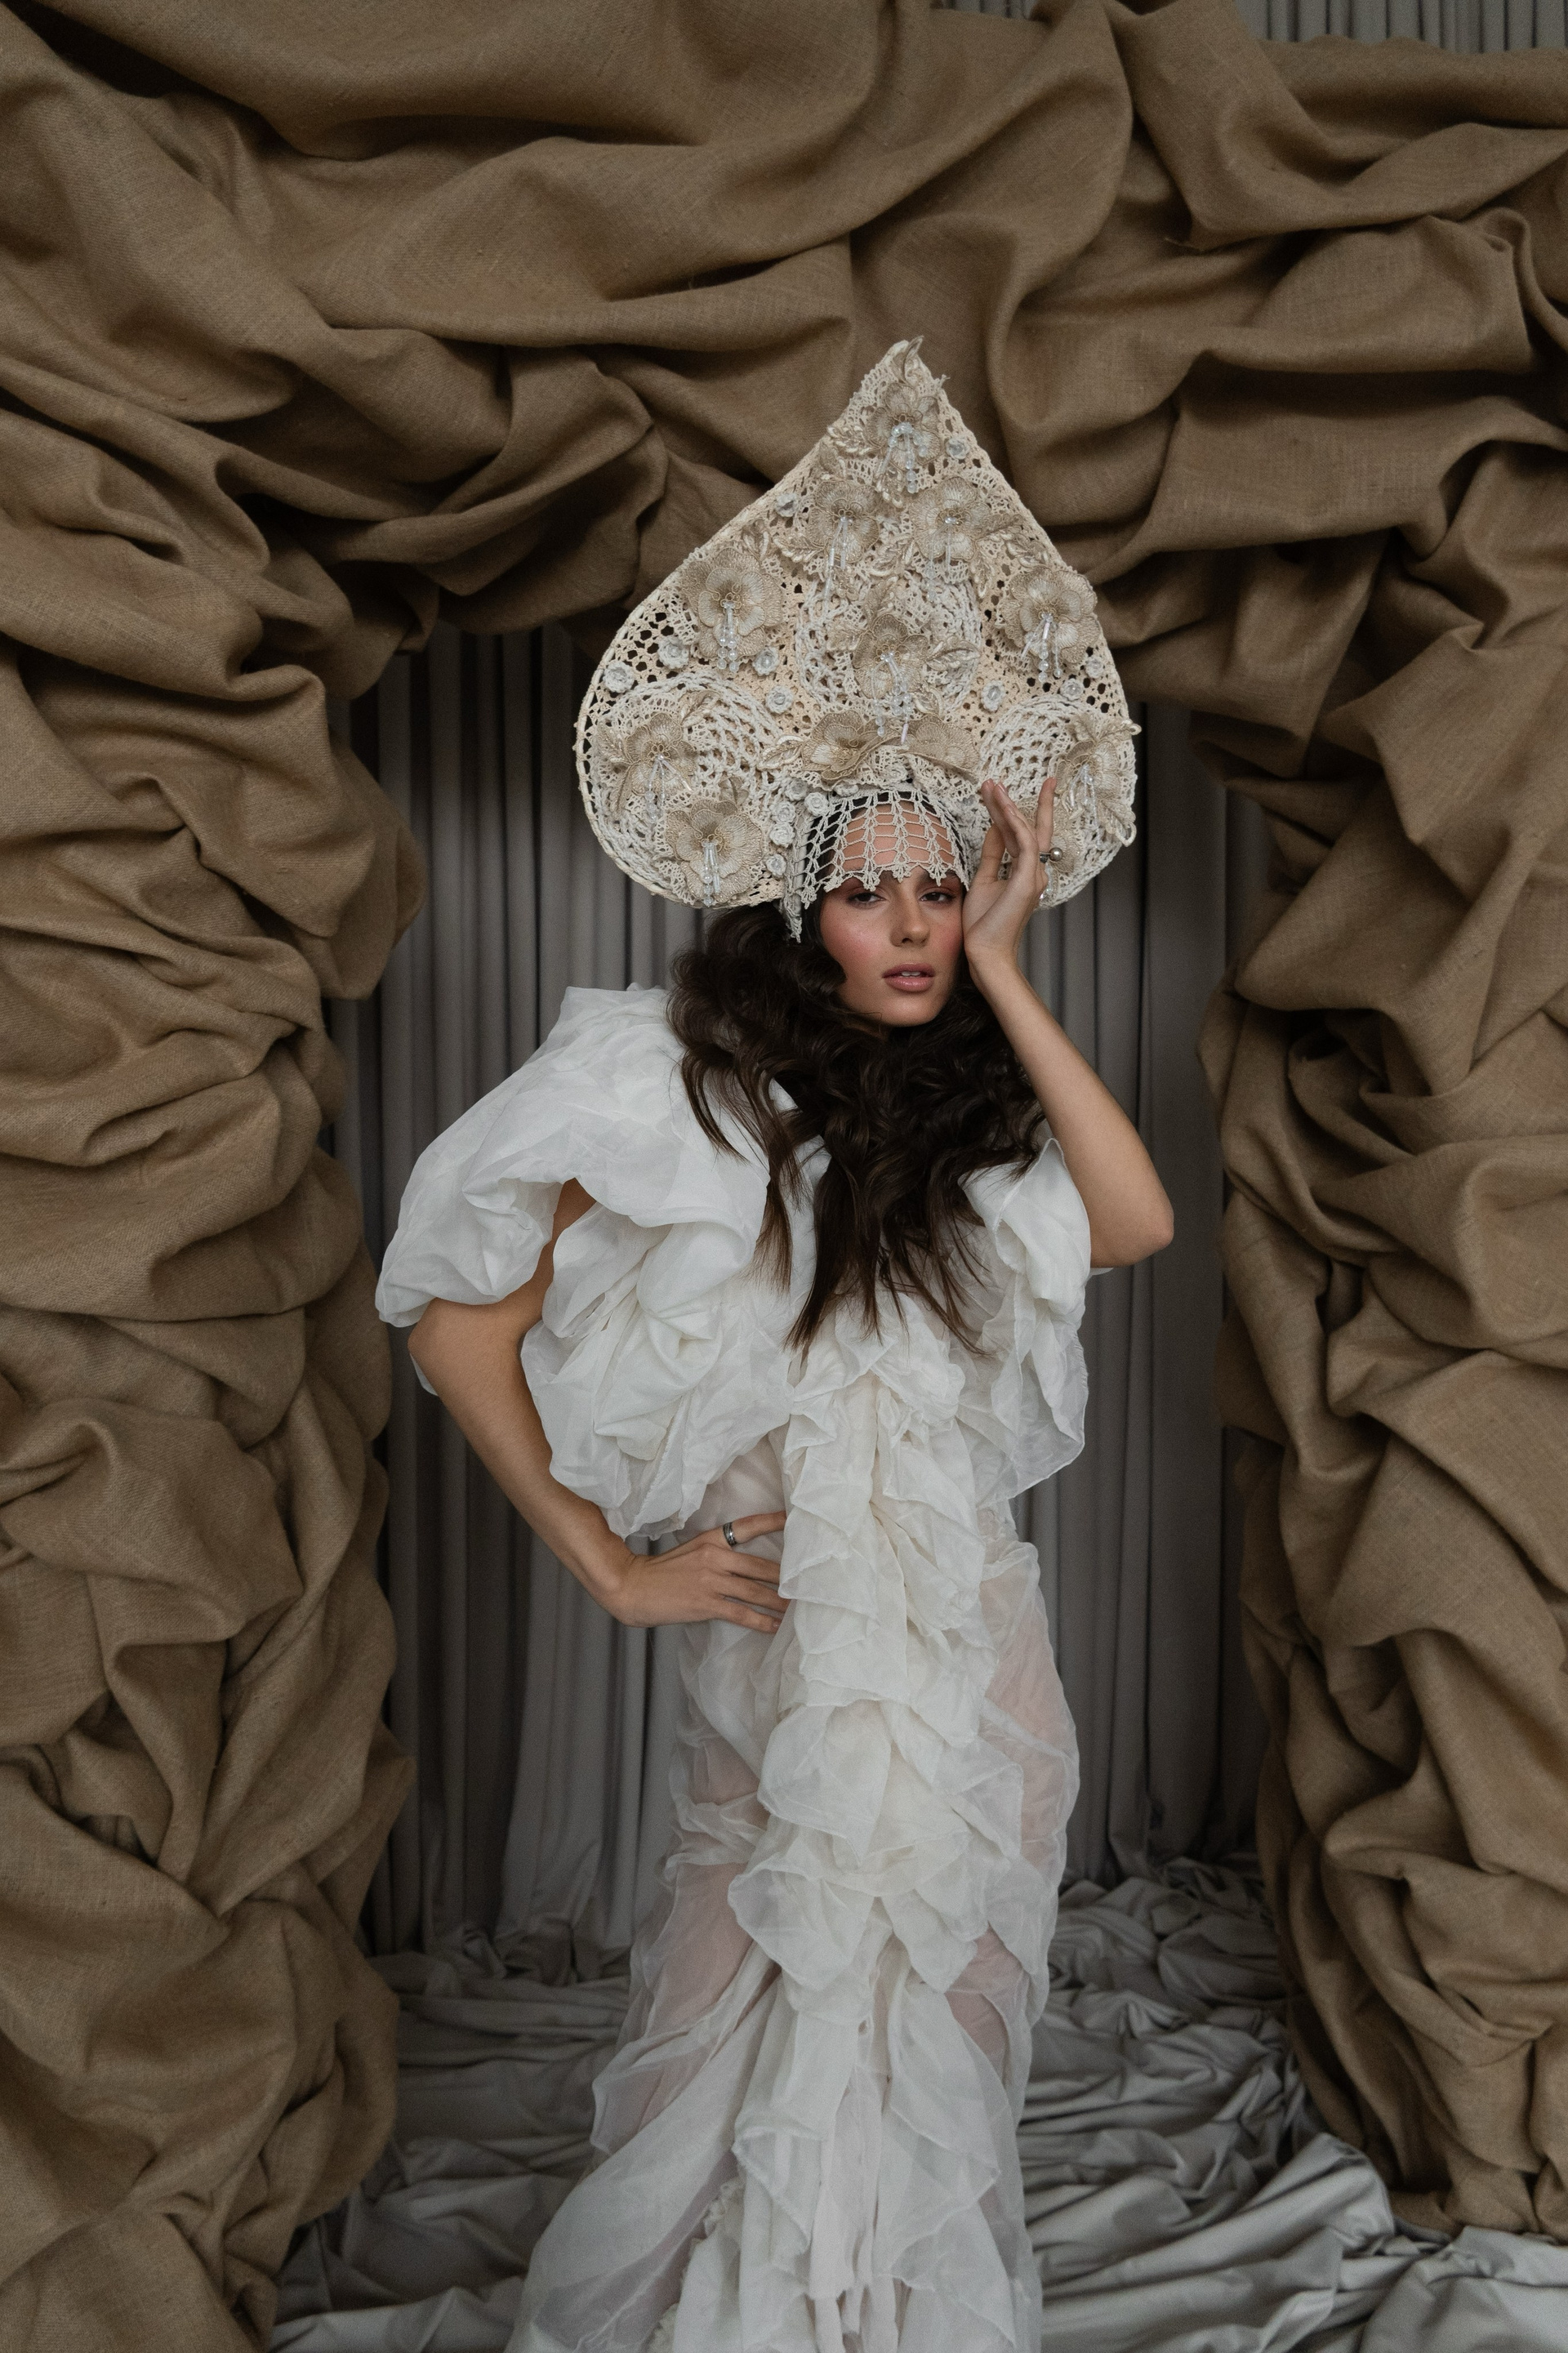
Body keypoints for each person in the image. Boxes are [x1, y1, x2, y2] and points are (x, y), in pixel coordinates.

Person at [376, 345, 1172, 2353]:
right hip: (786, 1646)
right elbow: (457, 1319)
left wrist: (1012, 970)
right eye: (870, 890)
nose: (906, 923)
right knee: (739, 1994)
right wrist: (607, 1561)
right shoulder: (683, 1087)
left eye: (940, 891)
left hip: (975, 1647)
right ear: (801, 906)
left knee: (954, 2004)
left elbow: (1137, 1218)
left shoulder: (984, 1117)